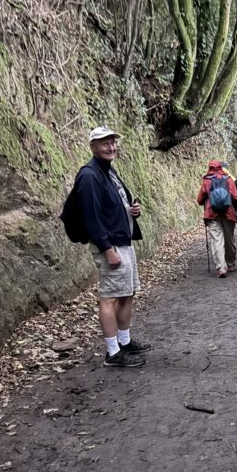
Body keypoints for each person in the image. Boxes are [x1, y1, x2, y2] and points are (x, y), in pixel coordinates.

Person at [74, 126, 153, 367]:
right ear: (93, 147)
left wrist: (132, 211)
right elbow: (90, 217)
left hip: (123, 241)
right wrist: (107, 249)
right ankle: (112, 352)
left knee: (127, 292)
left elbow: (112, 207)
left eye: (113, 142)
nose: (111, 147)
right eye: (105, 143)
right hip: (110, 244)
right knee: (109, 298)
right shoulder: (89, 176)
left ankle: (124, 342)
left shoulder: (108, 172)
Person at [197, 160, 237, 278]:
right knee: (229, 239)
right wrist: (235, 208)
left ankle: (221, 267)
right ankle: (230, 263)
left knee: (217, 241)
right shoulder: (228, 179)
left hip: (212, 214)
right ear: (221, 167)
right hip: (228, 213)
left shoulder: (207, 181)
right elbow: (236, 197)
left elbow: (200, 199)